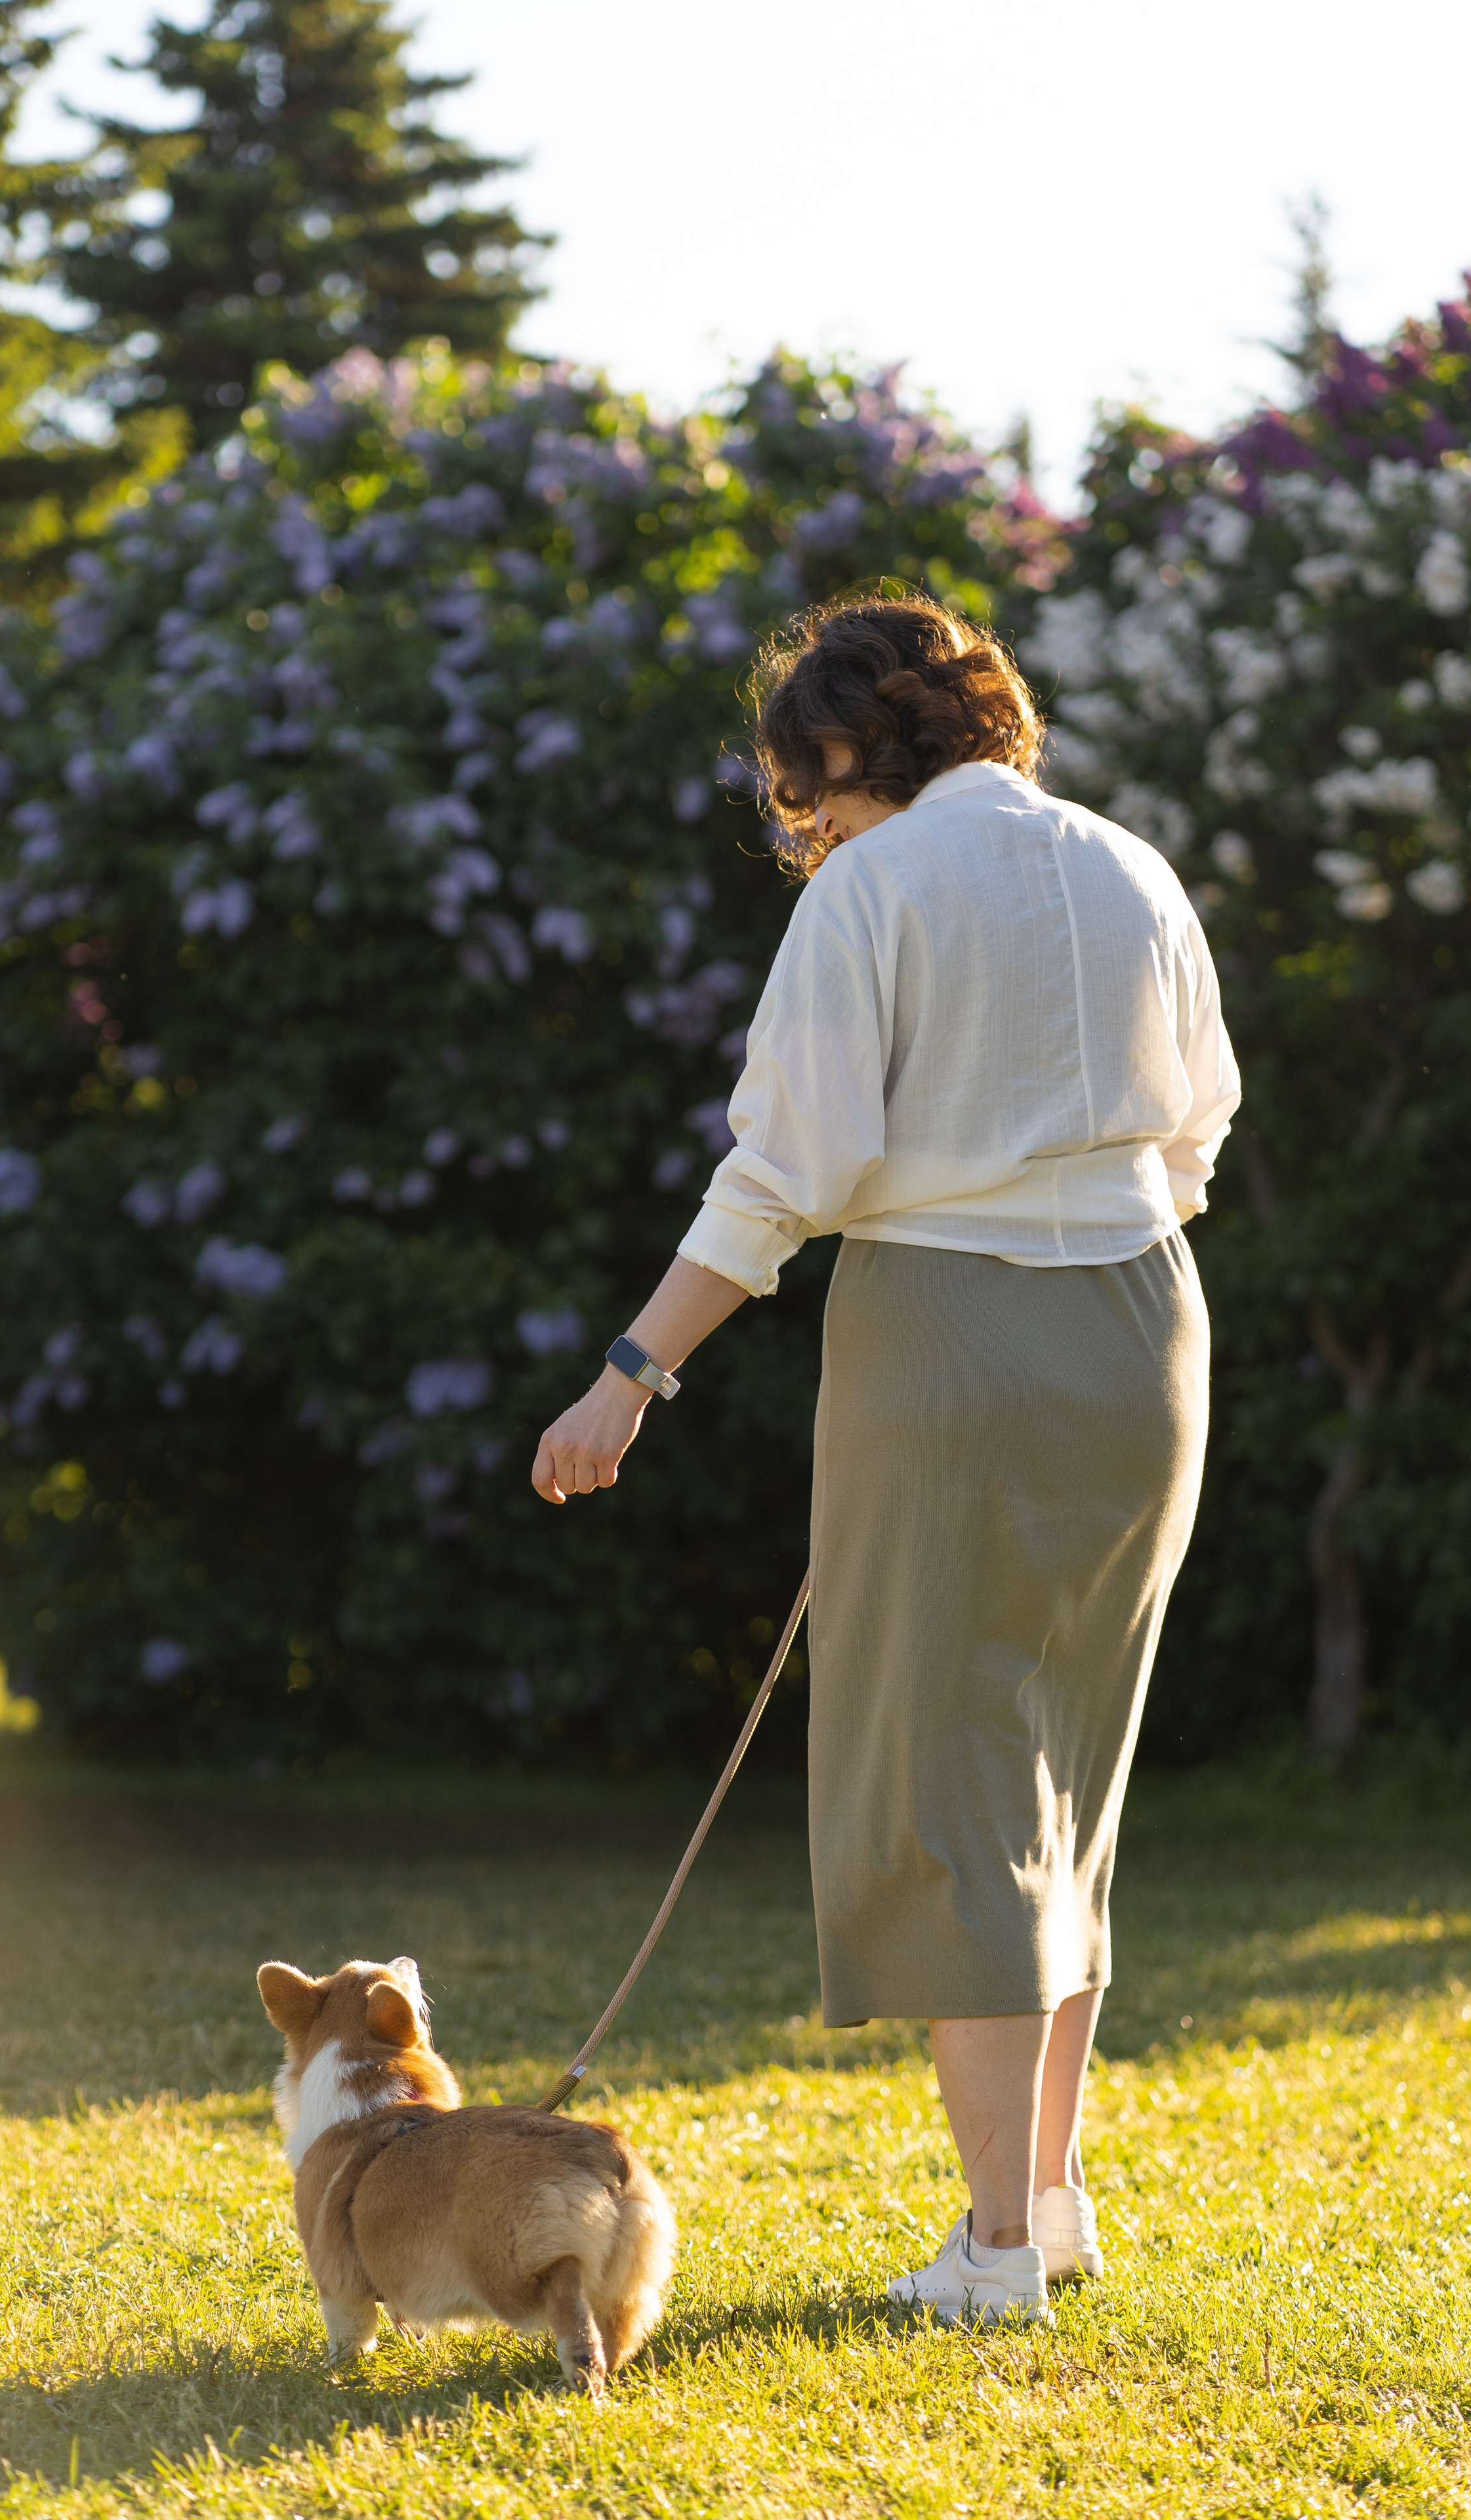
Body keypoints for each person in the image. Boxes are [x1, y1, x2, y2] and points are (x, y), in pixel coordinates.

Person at [530, 593, 1239, 2328]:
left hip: (958, 1332)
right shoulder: (1134, 867)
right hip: (1150, 1328)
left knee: (955, 1790)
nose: (801, 832)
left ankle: (997, 2251)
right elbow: (1202, 1121)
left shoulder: (877, 886)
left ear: (853, 754)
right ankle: (1049, 2205)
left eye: (802, 794)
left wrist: (631, 1371)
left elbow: (787, 1173)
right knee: (1070, 1776)